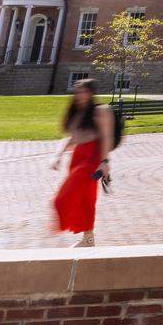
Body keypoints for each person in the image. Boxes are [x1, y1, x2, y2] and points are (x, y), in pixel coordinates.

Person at [52, 78, 114, 247]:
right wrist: (58, 156)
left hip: (91, 159)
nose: (80, 94)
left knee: (62, 199)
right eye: (78, 91)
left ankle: (67, 225)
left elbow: (106, 137)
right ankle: (88, 239)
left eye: (85, 91)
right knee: (85, 199)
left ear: (92, 93)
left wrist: (105, 161)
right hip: (77, 157)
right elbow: (72, 138)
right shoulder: (76, 112)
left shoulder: (100, 111)